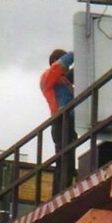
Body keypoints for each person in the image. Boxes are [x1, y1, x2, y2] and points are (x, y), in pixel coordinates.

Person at [40, 48, 75, 190]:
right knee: (64, 160)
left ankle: (63, 190)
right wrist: (75, 53)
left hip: (69, 121)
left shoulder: (64, 82)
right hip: (60, 121)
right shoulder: (48, 78)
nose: (67, 69)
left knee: (67, 161)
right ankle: (60, 192)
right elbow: (58, 67)